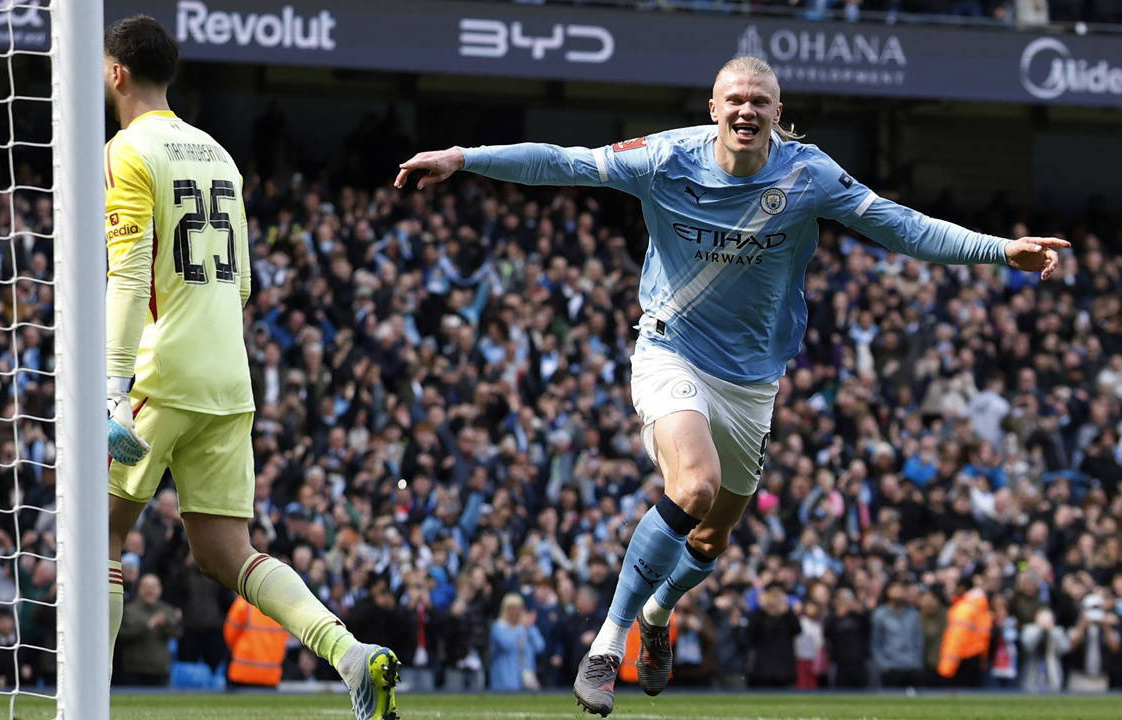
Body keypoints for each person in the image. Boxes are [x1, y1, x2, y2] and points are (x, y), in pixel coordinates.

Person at [395, 55, 1066, 716]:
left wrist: (998, 249)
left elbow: (899, 225)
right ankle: (608, 645)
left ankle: (658, 613)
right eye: (735, 100)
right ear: (714, 108)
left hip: (751, 383)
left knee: (711, 538)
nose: (747, 110)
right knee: (694, 486)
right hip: (671, 350)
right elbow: (563, 162)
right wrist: (463, 156)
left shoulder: (808, 175)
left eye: (760, 101)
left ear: (777, 113)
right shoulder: (665, 158)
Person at [100, 16, 397, 719]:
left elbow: (130, 273)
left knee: (97, 536)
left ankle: (89, 708)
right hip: (228, 372)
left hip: (159, 369)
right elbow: (242, 285)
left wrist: (114, 385)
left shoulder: (127, 150)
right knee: (223, 550)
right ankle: (350, 654)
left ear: (115, 73)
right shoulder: (219, 154)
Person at [118, 574, 182, 686]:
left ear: (160, 590)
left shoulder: (167, 610)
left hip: (160, 671)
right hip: (134, 671)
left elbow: (178, 632)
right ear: (139, 589)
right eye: (147, 587)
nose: (150, 591)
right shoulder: (128, 610)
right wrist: (147, 625)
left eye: (153, 587)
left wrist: (164, 624)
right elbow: (122, 634)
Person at [224, 595, 289, 688]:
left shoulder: (244, 602)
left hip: (243, 673)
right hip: (270, 675)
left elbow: (230, 634)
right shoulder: (283, 606)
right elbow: (285, 639)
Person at [871, 580, 924, 687]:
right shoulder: (880, 615)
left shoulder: (913, 614)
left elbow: (919, 641)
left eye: (901, 590)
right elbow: (876, 643)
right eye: (895, 589)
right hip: (891, 667)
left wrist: (917, 662)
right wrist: (883, 664)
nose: (898, 592)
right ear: (888, 591)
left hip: (911, 666)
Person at [488, 593, 546, 691]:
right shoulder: (498, 627)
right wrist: (521, 628)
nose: (515, 612)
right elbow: (506, 644)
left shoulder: (527, 627)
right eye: (511, 608)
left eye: (518, 608)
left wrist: (530, 627)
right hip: (505, 677)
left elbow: (540, 647)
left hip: (526, 676)